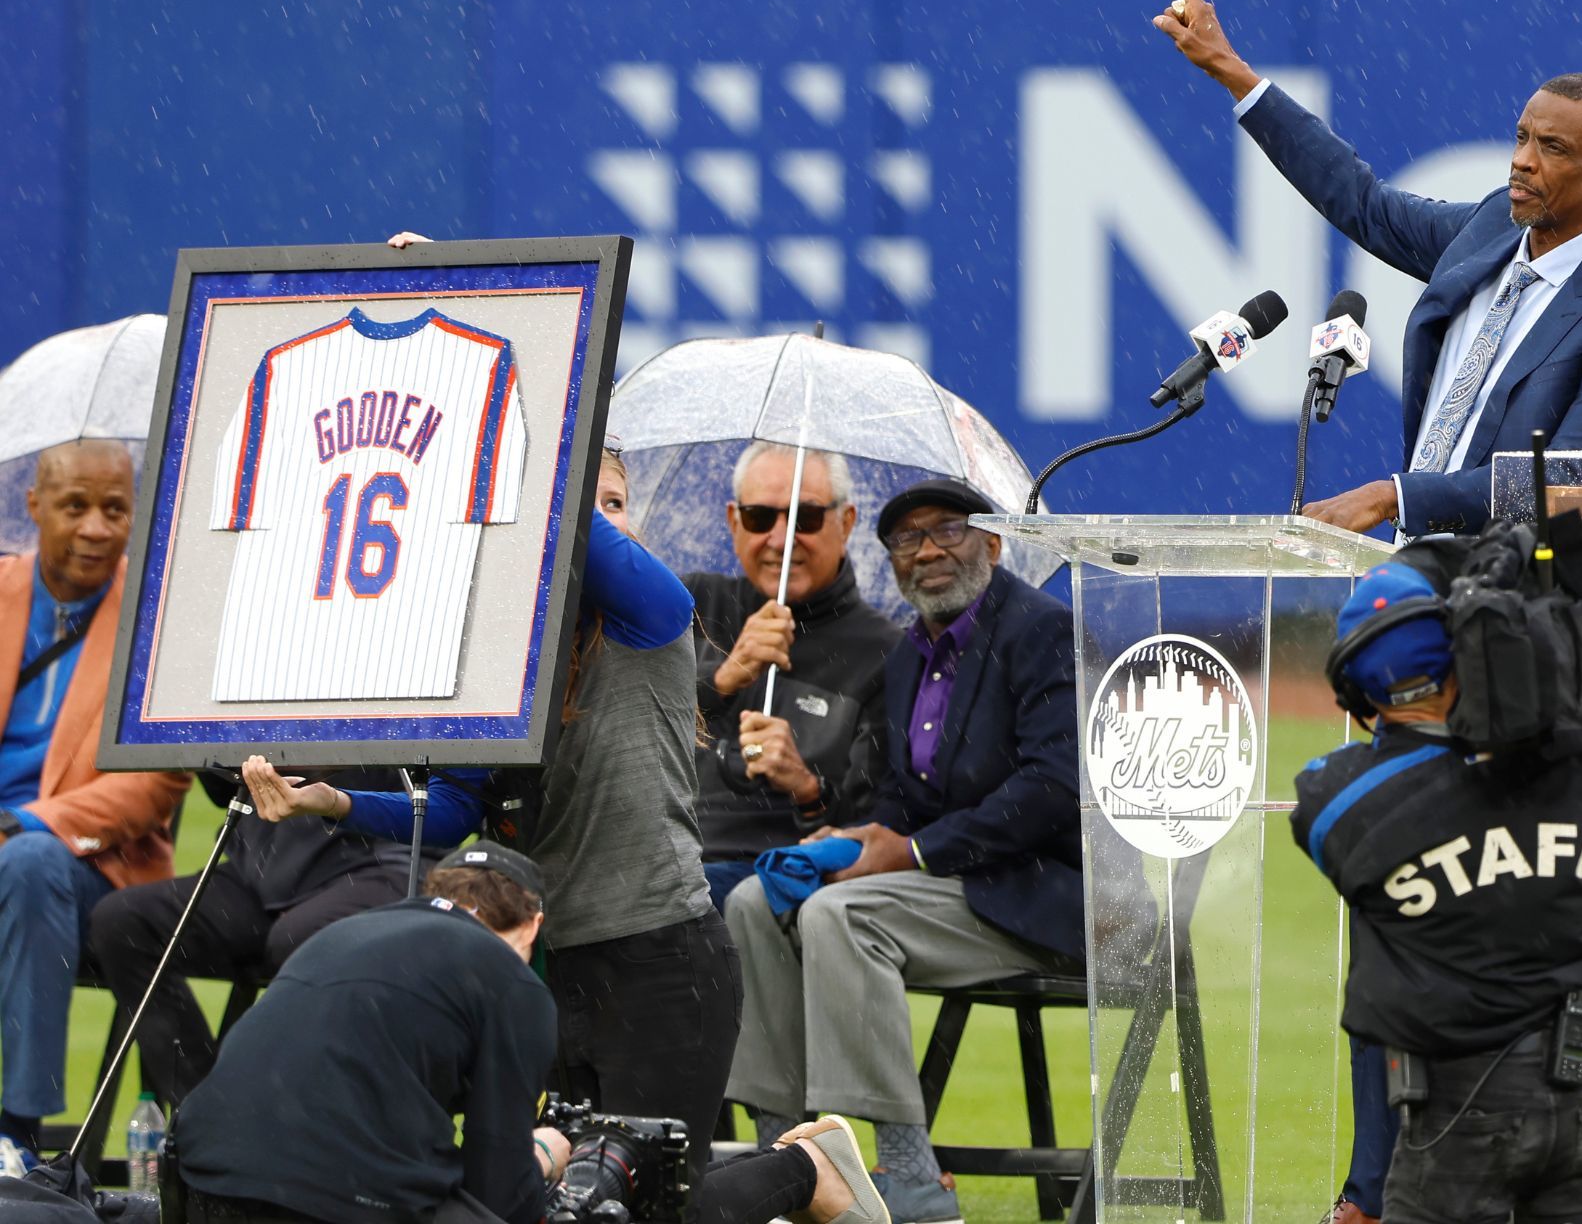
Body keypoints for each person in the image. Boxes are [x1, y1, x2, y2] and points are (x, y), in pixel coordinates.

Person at [239, 446, 743, 1173]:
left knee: (654, 1200)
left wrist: (510, 441)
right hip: (552, 968)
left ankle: (804, 1170)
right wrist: (333, 800)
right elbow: (453, 808)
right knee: (564, 1199)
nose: (598, 519)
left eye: (614, 504)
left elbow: (552, 516)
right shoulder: (502, 661)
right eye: (589, 500)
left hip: (663, 960)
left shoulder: (655, 617)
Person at [1154, 0, 1582, 539]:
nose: (1522, 161)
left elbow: (1565, 484)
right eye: (1521, 137)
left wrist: (1395, 496)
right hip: (1423, 575)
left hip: (1529, 606)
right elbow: (1367, 205)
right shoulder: (1494, 226)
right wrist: (1234, 72)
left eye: (1553, 148)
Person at [1290, 561, 1582, 1223]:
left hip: (1451, 1107)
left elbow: (1365, 798)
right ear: (1464, 657)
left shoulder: (1339, 802)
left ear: (1359, 698)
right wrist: (1579, 679)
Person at [171, 841, 888, 1224]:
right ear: (534, 924)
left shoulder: (343, 933)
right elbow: (503, 1198)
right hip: (337, 1201)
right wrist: (545, 1153)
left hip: (199, 1184)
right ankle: (806, 1171)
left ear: (435, 896)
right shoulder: (509, 980)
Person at [724, 477, 1083, 1224]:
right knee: (758, 901)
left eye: (947, 531)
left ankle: (907, 1175)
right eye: (906, 540)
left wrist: (913, 853)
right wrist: (854, 837)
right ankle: (786, 1162)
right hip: (952, 889)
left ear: (992, 541)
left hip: (1047, 895)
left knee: (844, 918)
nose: (926, 552)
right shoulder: (909, 653)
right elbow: (899, 798)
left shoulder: (1042, 628)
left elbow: (1053, 787)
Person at [0, 440, 190, 1165]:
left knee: (27, 865)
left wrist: (25, 822)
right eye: (74, 506)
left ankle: (17, 1133)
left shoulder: (154, 619)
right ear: (35, 507)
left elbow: (156, 781)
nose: (95, 528)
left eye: (114, 509)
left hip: (92, 869)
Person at [86, 765, 474, 1109]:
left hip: (381, 860)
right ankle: (210, 1118)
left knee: (301, 939)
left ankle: (302, 1131)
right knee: (125, 923)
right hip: (268, 868)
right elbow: (225, 788)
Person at [687, 441, 899, 912]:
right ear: (733, 520)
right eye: (760, 517)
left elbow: (878, 830)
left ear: (845, 523)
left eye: (805, 518)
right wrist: (721, 680)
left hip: (773, 874)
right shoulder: (691, 603)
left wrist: (806, 786)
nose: (781, 540)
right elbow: (625, 724)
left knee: (679, 904)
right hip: (659, 858)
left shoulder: (885, 653)